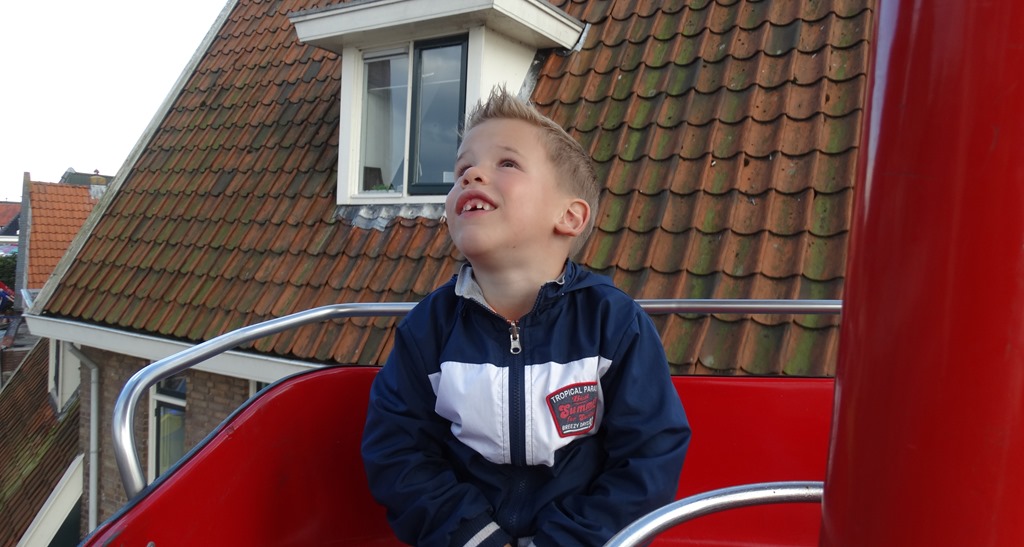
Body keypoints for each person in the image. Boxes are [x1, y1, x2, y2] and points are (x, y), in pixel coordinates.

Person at [361, 86, 690, 547]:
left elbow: (648, 456)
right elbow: (398, 452)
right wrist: (473, 536)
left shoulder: (613, 324)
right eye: (461, 169)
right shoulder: (428, 330)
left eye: (507, 163)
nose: (470, 174)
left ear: (569, 217)